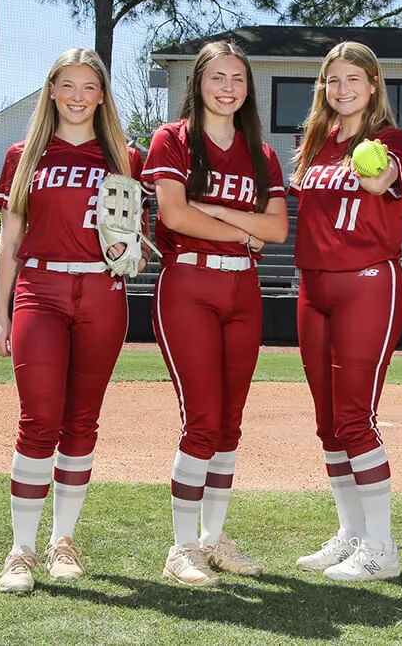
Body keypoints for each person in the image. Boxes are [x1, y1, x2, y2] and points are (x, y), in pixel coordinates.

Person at [0, 48, 146, 594]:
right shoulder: (24, 153)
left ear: (102, 95)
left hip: (104, 291)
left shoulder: (126, 156)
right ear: (51, 89)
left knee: (82, 421)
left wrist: (134, 251)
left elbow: (136, 241)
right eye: (68, 85)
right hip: (41, 288)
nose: (78, 96)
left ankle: (62, 543)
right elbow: (9, 241)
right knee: (38, 420)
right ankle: (21, 551)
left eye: (89, 87)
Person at [141, 41, 288, 587]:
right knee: (202, 420)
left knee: (229, 423)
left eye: (238, 79)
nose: (228, 88)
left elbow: (276, 231)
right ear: (198, 83)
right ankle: (181, 548)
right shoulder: (172, 139)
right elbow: (176, 217)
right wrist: (246, 229)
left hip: (242, 290)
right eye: (217, 77)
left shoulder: (261, 153)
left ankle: (213, 538)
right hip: (189, 285)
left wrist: (220, 213)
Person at [290, 41, 402, 581]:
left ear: (372, 86)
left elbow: (380, 181)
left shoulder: (391, 141)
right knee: (327, 424)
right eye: (333, 80)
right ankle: (352, 534)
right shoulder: (314, 142)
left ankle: (382, 549)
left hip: (367, 284)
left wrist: (371, 169)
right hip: (312, 289)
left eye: (353, 80)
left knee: (354, 418)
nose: (342, 89)